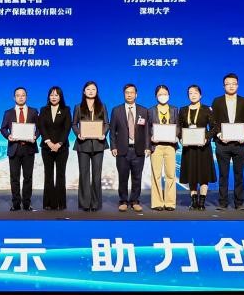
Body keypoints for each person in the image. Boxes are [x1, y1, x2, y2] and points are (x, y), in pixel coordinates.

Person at [109, 83, 151, 213]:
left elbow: (147, 131)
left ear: (136, 94)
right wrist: (113, 146)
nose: (129, 95)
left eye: (132, 92)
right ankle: (123, 201)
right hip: (122, 150)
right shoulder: (116, 110)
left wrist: (148, 147)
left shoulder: (144, 111)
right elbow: (112, 130)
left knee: (137, 177)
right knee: (123, 177)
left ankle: (135, 201)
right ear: (124, 94)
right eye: (127, 92)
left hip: (138, 150)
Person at [211, 73, 244, 210]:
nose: (231, 86)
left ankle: (239, 203)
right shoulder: (217, 101)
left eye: (234, 83)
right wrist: (219, 134)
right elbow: (213, 121)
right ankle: (223, 202)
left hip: (239, 144)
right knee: (223, 174)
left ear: (237, 85)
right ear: (224, 86)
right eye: (228, 84)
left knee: (239, 175)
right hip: (222, 144)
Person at [1, 87, 39, 211]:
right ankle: (16, 203)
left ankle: (27, 203)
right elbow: (3, 128)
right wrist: (8, 136)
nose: (21, 97)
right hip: (14, 148)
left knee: (28, 177)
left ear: (26, 97)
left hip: (29, 148)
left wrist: (35, 136)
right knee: (14, 178)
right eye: (18, 95)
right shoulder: (8, 112)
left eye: (23, 95)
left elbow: (39, 128)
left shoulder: (33, 111)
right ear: (14, 97)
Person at [73, 81, 108, 212]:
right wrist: (78, 134)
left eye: (93, 89)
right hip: (83, 144)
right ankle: (85, 203)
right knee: (84, 174)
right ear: (84, 91)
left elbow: (107, 123)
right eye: (88, 89)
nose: (91, 91)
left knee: (96, 175)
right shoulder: (78, 107)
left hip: (98, 144)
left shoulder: (102, 106)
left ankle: (95, 203)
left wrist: (103, 133)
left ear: (97, 91)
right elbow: (74, 124)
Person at [178, 84, 214, 210]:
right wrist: (181, 138)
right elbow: (179, 127)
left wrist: (206, 138)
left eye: (195, 93)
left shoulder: (207, 109)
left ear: (200, 95)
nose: (193, 95)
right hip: (189, 148)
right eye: (190, 93)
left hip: (203, 147)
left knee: (204, 174)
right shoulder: (183, 110)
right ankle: (193, 201)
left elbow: (214, 127)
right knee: (191, 174)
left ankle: (202, 201)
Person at [37, 86, 72, 210]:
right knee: (49, 174)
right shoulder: (43, 110)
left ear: (60, 97)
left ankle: (60, 203)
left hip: (62, 148)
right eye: (51, 95)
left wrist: (59, 143)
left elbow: (67, 128)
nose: (54, 97)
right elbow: (41, 126)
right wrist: (49, 142)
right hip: (46, 147)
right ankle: (49, 203)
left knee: (60, 174)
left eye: (56, 95)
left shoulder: (66, 110)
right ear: (48, 97)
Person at [148, 84, 179, 211]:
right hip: (156, 146)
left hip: (170, 146)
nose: (163, 96)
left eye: (165, 94)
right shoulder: (150, 110)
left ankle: (170, 203)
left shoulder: (175, 109)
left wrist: (176, 136)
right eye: (160, 94)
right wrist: (151, 137)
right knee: (156, 174)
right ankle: (157, 202)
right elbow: (147, 128)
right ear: (156, 96)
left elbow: (178, 126)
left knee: (170, 174)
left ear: (169, 95)